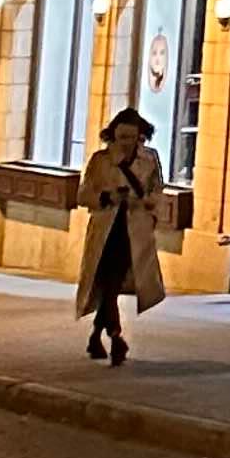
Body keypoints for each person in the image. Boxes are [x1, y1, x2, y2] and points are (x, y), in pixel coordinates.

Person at [74, 107, 165, 364]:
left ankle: (98, 337)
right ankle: (115, 337)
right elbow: (83, 194)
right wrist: (107, 197)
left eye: (132, 137)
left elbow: (158, 190)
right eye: (121, 137)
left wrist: (149, 204)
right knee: (108, 283)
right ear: (112, 135)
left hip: (133, 231)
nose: (126, 143)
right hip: (106, 230)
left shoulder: (149, 159)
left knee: (111, 285)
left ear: (140, 137)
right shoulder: (100, 160)